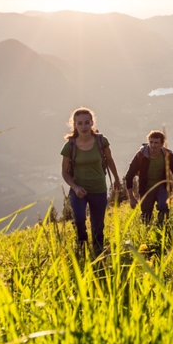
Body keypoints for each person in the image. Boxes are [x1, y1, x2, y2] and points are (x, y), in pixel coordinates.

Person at [60, 107, 120, 257]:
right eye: (80, 123)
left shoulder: (101, 141)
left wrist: (117, 179)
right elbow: (64, 172)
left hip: (98, 188)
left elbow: (110, 160)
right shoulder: (70, 146)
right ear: (74, 125)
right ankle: (82, 248)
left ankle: (98, 254)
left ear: (92, 123)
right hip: (78, 190)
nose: (84, 126)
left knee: (98, 226)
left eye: (87, 122)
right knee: (79, 219)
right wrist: (75, 187)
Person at [125, 130, 173, 225]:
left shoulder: (167, 155)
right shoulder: (141, 155)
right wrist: (131, 197)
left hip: (161, 186)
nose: (153, 145)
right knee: (146, 216)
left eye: (156, 143)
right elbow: (129, 176)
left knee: (164, 206)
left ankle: (162, 227)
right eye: (151, 142)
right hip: (146, 188)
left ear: (162, 144)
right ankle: (146, 231)